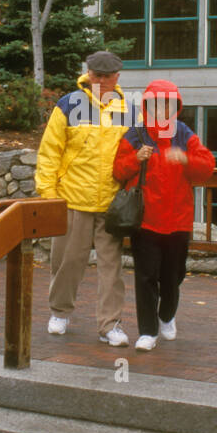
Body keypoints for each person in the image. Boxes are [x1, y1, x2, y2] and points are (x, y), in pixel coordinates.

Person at [35, 50, 137, 347]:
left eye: (107, 76)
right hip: (72, 199)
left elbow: (133, 154)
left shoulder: (129, 109)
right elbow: (50, 151)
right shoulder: (68, 105)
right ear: (87, 73)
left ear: (117, 76)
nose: (102, 81)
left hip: (111, 202)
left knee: (111, 269)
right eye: (96, 75)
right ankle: (60, 311)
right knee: (66, 261)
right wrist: (49, 195)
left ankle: (110, 325)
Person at [112, 80, 216, 351]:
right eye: (157, 103)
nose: (162, 108)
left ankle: (167, 315)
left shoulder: (183, 133)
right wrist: (136, 158)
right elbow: (118, 171)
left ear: (175, 106)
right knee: (145, 276)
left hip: (178, 220)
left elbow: (206, 167)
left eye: (168, 103)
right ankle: (148, 332)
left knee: (174, 275)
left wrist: (186, 159)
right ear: (147, 105)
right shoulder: (135, 134)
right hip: (145, 220)